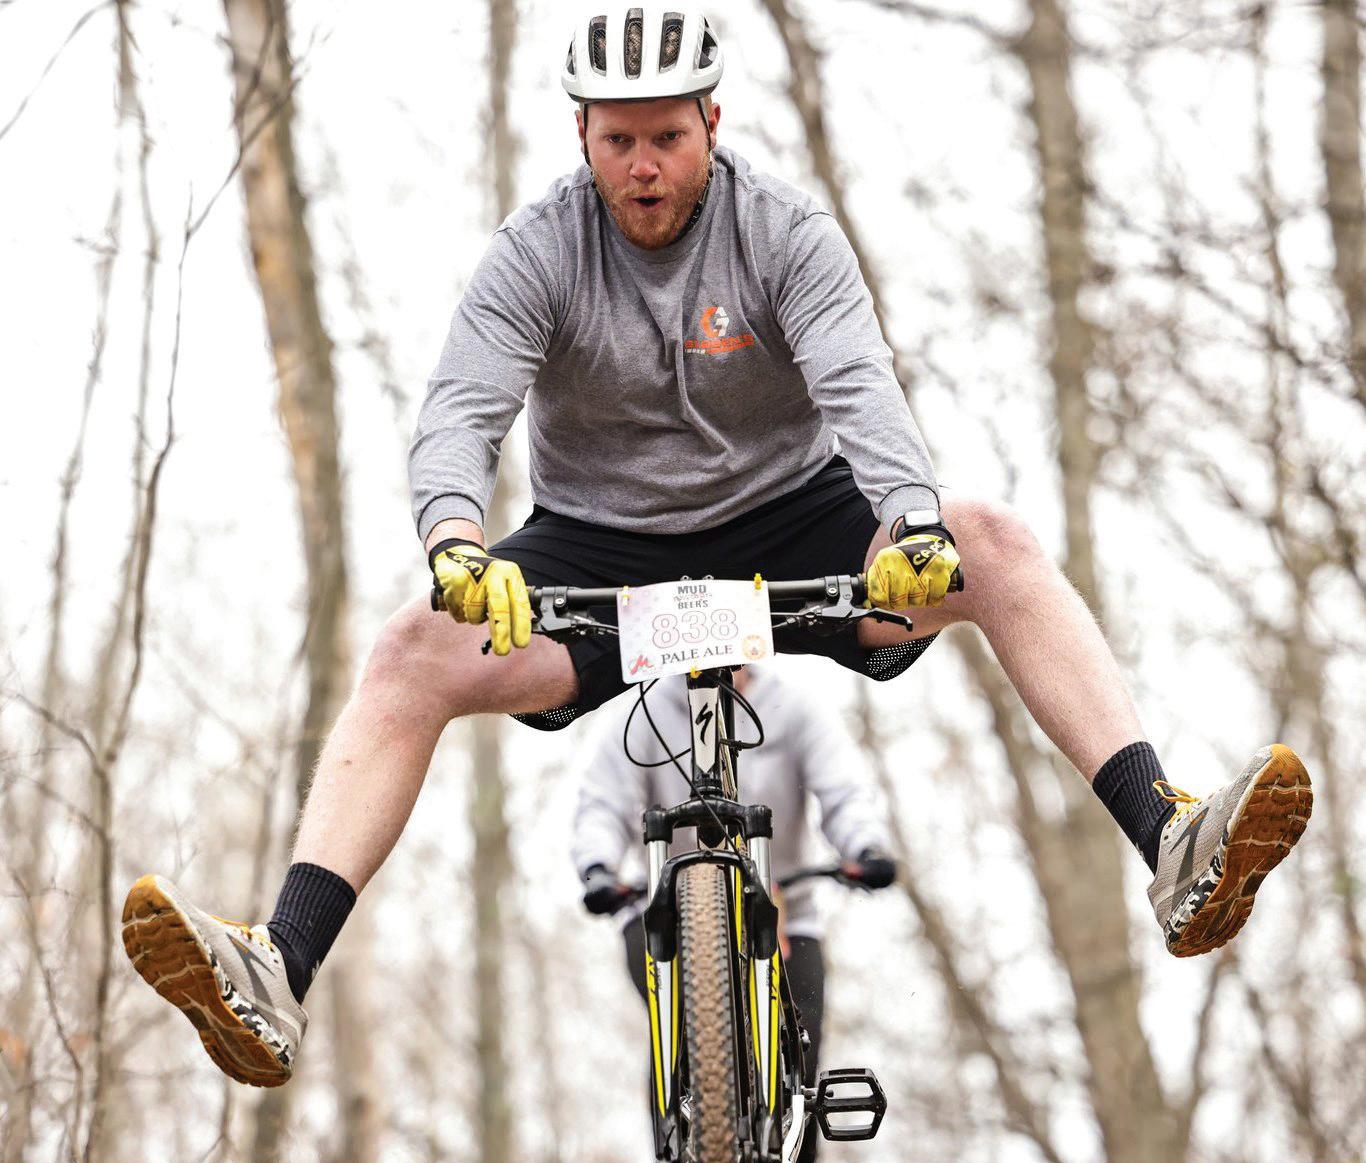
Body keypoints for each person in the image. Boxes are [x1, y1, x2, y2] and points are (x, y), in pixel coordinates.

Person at [122, 4, 1312, 1097]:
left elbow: (859, 383)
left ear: (712, 123)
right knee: (406, 649)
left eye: (667, 139)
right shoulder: (537, 249)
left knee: (992, 542)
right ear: (581, 136)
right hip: (597, 546)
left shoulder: (786, 232)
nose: (642, 167)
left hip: (792, 518)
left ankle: (1171, 839)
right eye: (618, 141)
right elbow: (460, 412)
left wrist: (910, 519)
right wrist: (455, 541)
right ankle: (278, 966)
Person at [573, 667, 897, 1163]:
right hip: (666, 909)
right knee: (676, 1036)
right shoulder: (643, 715)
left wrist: (864, 845)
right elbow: (603, 803)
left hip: (785, 913)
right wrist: (596, 865)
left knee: (800, 1057)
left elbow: (844, 789)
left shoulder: (794, 707)